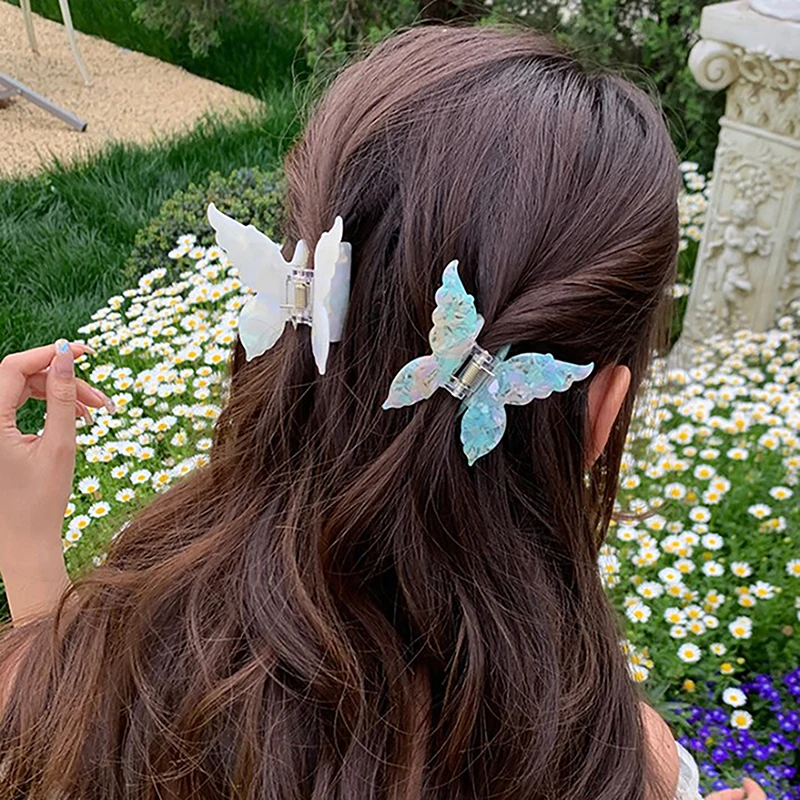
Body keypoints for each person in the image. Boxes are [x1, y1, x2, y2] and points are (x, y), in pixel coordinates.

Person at [0, 26, 766, 800]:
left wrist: (33, 569)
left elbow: (53, 727)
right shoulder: (618, 765)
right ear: (600, 419)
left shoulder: (100, 689)